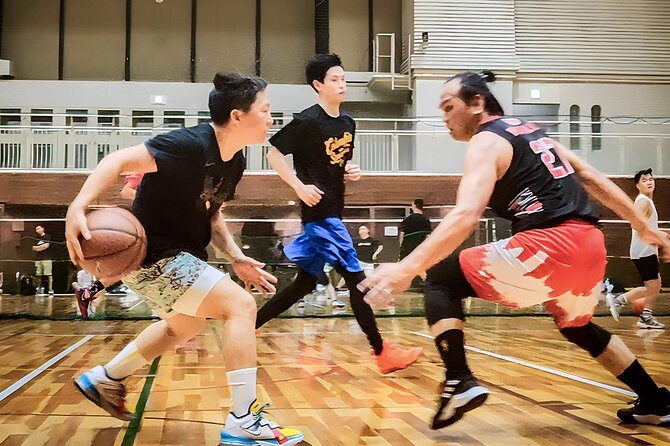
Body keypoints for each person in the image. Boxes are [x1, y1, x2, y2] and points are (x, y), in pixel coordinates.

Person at [361, 70, 670, 428]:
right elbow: (587, 174)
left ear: (477, 103)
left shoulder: (486, 140)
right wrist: (642, 225)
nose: (444, 116)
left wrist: (406, 267)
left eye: (449, 106)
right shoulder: (530, 132)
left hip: (549, 245)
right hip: (590, 246)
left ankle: (458, 379)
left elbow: (466, 214)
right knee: (577, 326)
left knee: (442, 278)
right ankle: (654, 401)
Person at [65, 73, 303, 445]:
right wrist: (78, 206)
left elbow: (212, 213)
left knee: (185, 327)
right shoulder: (188, 144)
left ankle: (106, 378)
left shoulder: (234, 161)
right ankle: (244, 419)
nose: (272, 118)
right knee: (240, 306)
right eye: (266, 109)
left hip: (177, 257)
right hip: (153, 255)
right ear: (238, 115)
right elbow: (117, 160)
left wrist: (237, 258)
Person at [255, 53, 421, 374]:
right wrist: (298, 186)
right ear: (318, 85)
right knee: (359, 282)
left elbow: (335, 163)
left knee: (304, 285)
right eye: (334, 79)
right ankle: (382, 352)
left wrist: (349, 171)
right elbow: (273, 154)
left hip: (334, 210)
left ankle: (250, 325)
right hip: (320, 216)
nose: (342, 84)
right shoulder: (306, 121)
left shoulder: (348, 123)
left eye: (344, 78)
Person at [607, 168, 665, 329]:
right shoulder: (644, 201)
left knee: (657, 282)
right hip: (643, 251)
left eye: (651, 179)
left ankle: (646, 316)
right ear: (637, 186)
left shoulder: (646, 201)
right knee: (651, 287)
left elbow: (646, 227)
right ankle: (619, 300)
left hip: (646, 249)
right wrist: (657, 237)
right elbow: (635, 224)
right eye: (644, 180)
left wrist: (663, 234)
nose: (649, 182)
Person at [32, 224, 53, 294]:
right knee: (38, 274)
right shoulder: (35, 238)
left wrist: (39, 248)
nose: (37, 230)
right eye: (36, 229)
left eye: (38, 228)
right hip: (38, 259)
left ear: (42, 229)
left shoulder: (47, 236)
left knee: (48, 274)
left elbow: (46, 246)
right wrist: (40, 247)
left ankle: (50, 289)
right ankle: (39, 289)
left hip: (47, 258)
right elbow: (34, 248)